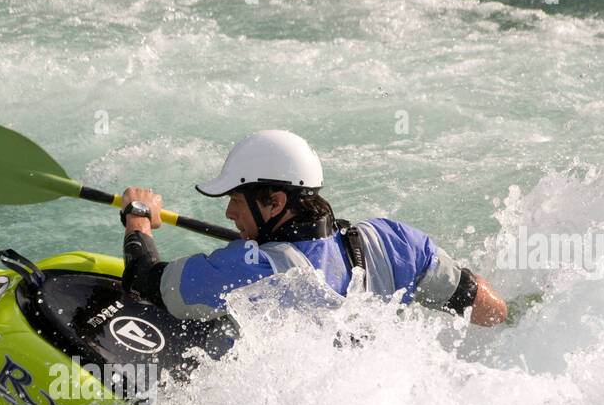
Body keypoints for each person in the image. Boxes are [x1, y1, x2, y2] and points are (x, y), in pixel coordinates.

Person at [117, 130, 507, 326]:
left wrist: (138, 217)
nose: (229, 214)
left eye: (236, 200)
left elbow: (145, 280)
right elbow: (491, 310)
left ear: (275, 202)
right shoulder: (392, 241)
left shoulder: (251, 269)